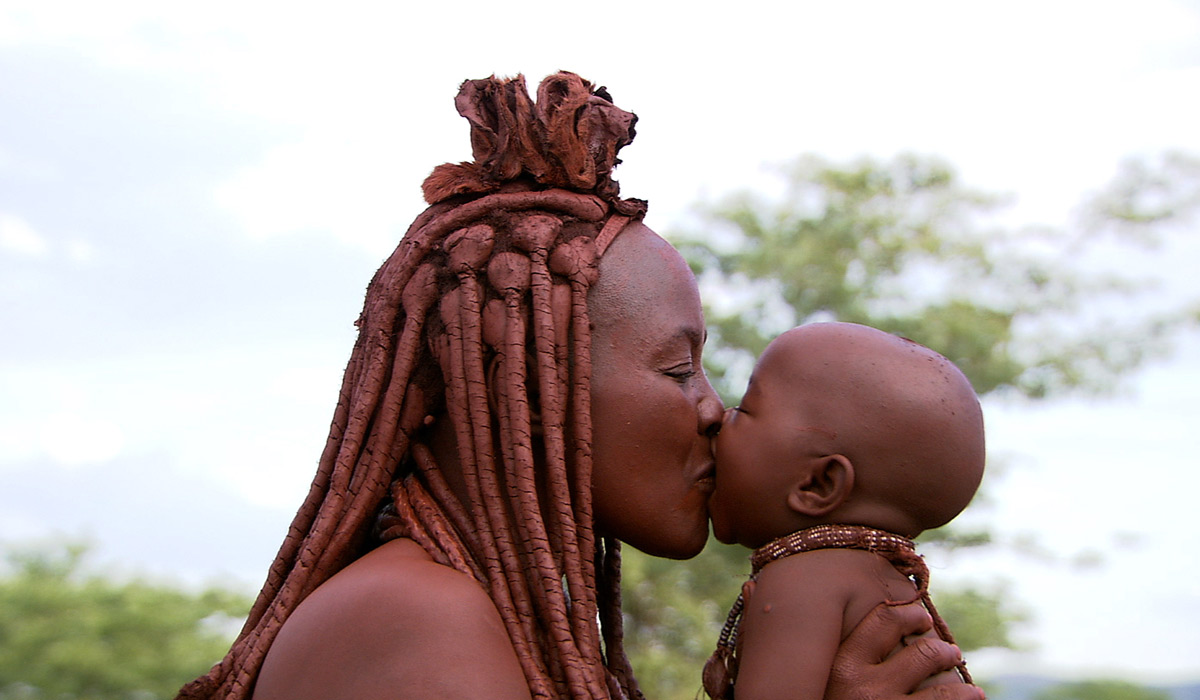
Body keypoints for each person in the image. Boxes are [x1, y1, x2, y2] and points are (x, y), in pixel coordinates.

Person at [178, 74, 982, 700]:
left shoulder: (480, 608)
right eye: (678, 368)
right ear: (524, 389)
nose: (710, 411)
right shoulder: (416, 616)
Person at [703, 322, 987, 700]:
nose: (716, 418)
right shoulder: (885, 583)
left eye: (743, 410)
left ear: (817, 484)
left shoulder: (801, 580)